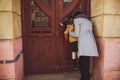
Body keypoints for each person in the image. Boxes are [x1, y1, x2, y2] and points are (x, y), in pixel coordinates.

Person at [69, 12, 99, 80]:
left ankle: (84, 78)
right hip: (90, 42)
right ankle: (85, 77)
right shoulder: (88, 21)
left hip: (83, 43)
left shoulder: (76, 20)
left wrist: (70, 33)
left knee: (82, 62)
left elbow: (77, 34)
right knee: (86, 61)